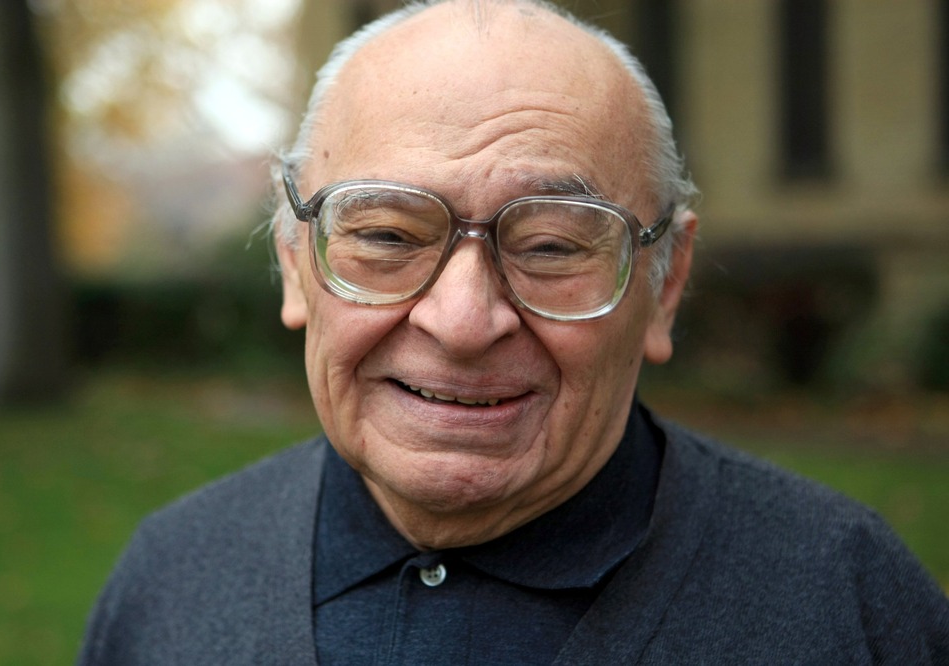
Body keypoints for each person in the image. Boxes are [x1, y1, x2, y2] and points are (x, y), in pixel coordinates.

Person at [77, 1, 949, 663]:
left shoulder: (848, 603)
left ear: (665, 281)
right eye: (385, 235)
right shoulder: (170, 583)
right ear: (297, 259)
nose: (462, 322)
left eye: (550, 245)